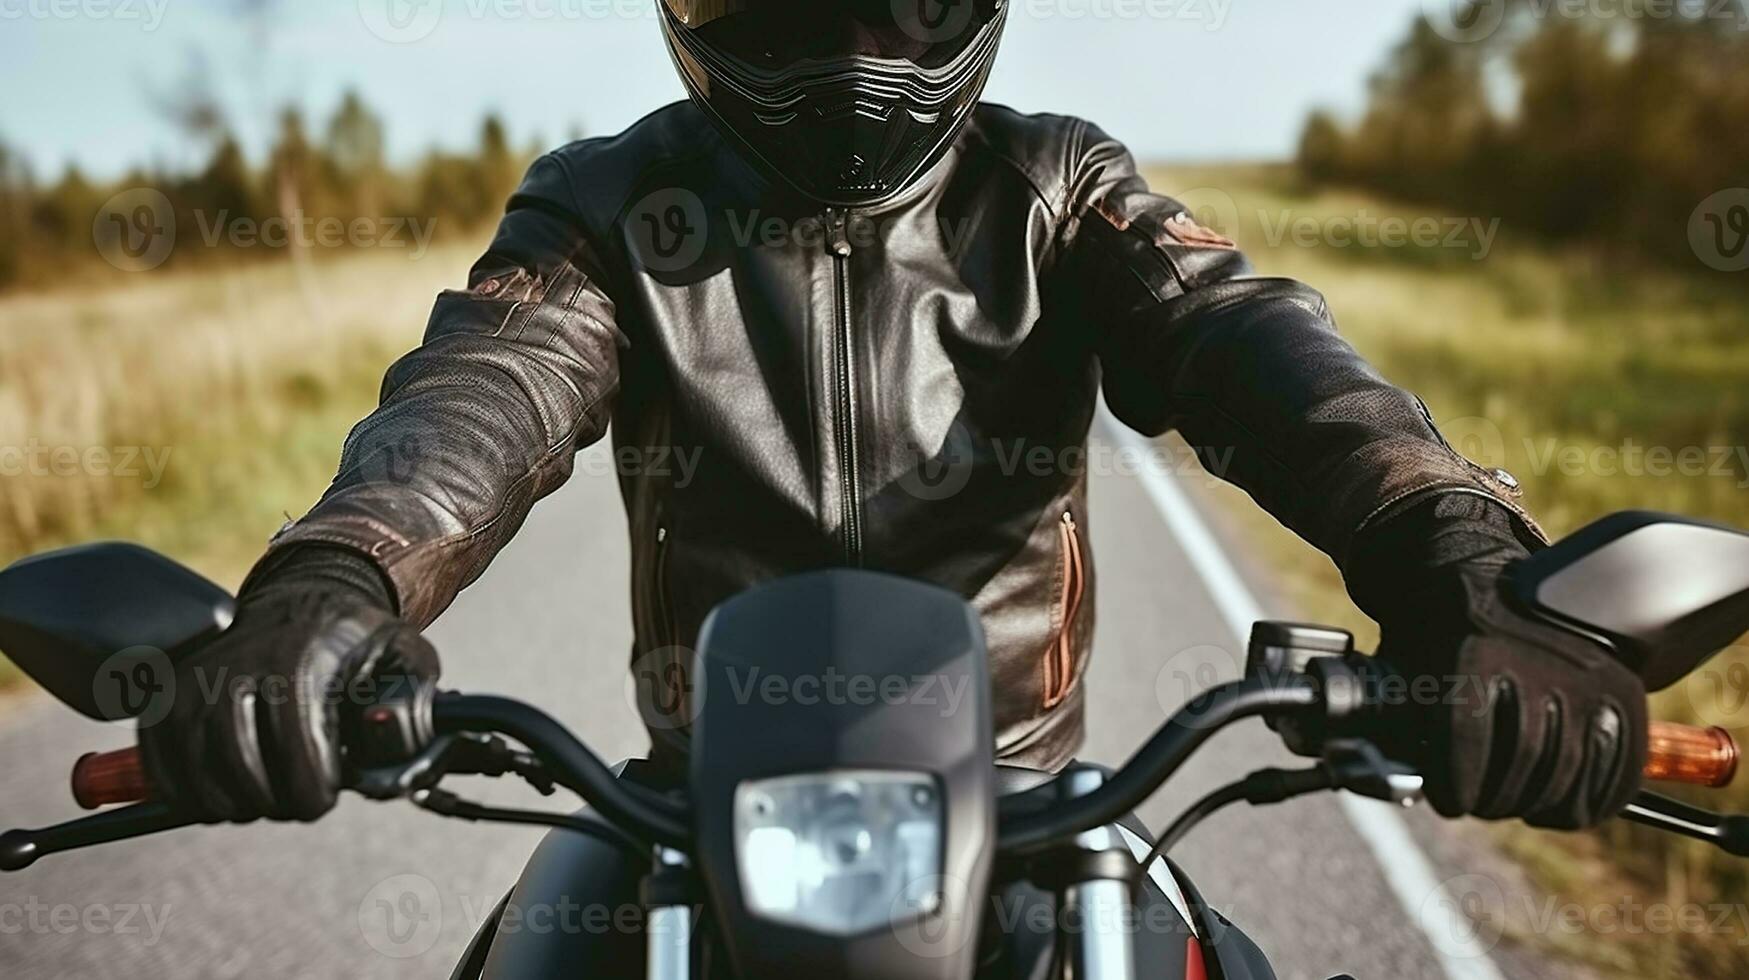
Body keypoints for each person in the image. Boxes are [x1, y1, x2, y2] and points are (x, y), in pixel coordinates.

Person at [142, 0, 1645, 840]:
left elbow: (1240, 336)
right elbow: (486, 387)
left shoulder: (1052, 186)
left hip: (1032, 798)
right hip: (693, 800)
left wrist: (1449, 552)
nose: (850, 37)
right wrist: (336, 577)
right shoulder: (610, 204)